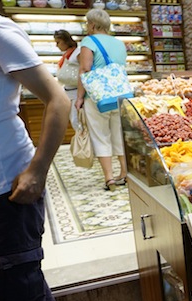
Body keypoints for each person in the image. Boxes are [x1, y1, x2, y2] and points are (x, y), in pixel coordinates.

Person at [0, 15, 74, 301]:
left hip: (9, 180)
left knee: (17, 279)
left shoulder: (1, 34)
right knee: (19, 270)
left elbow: (58, 100)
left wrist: (38, 171)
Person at [75, 9, 128, 191]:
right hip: (120, 96)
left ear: (92, 24)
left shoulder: (89, 41)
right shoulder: (119, 43)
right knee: (119, 135)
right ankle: (125, 172)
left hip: (97, 98)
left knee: (100, 135)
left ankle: (109, 178)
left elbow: (84, 69)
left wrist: (79, 97)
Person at [54, 29, 80, 132]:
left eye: (58, 42)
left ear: (65, 41)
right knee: (74, 120)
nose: (57, 45)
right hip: (69, 92)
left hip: (76, 92)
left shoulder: (77, 52)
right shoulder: (67, 54)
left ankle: (83, 145)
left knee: (76, 121)